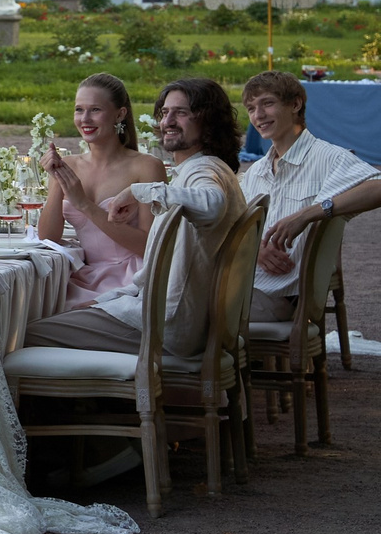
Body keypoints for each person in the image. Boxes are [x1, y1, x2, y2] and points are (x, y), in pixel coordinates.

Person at [23, 78, 244, 355]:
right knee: (40, 314)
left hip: (165, 320)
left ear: (209, 121)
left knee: (22, 333)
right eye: (165, 113)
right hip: (154, 303)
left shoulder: (202, 172)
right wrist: (109, 299)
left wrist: (137, 191)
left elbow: (211, 204)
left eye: (182, 113)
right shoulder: (197, 170)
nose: (168, 122)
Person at [240, 71, 381, 324]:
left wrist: (310, 213)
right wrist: (255, 251)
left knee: (183, 309)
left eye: (267, 103)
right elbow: (240, 227)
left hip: (282, 297)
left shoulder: (329, 158)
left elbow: (378, 187)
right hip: (247, 287)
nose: (258, 116)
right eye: (251, 108)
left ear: (295, 104)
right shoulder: (256, 172)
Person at [36, 73, 166, 309]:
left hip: (133, 279)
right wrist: (56, 178)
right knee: (29, 312)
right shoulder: (70, 165)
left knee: (44, 324)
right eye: (79, 110)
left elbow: (150, 246)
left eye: (95, 110)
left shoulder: (146, 167)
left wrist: (84, 204)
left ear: (120, 114)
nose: (85, 119)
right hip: (86, 277)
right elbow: (47, 238)